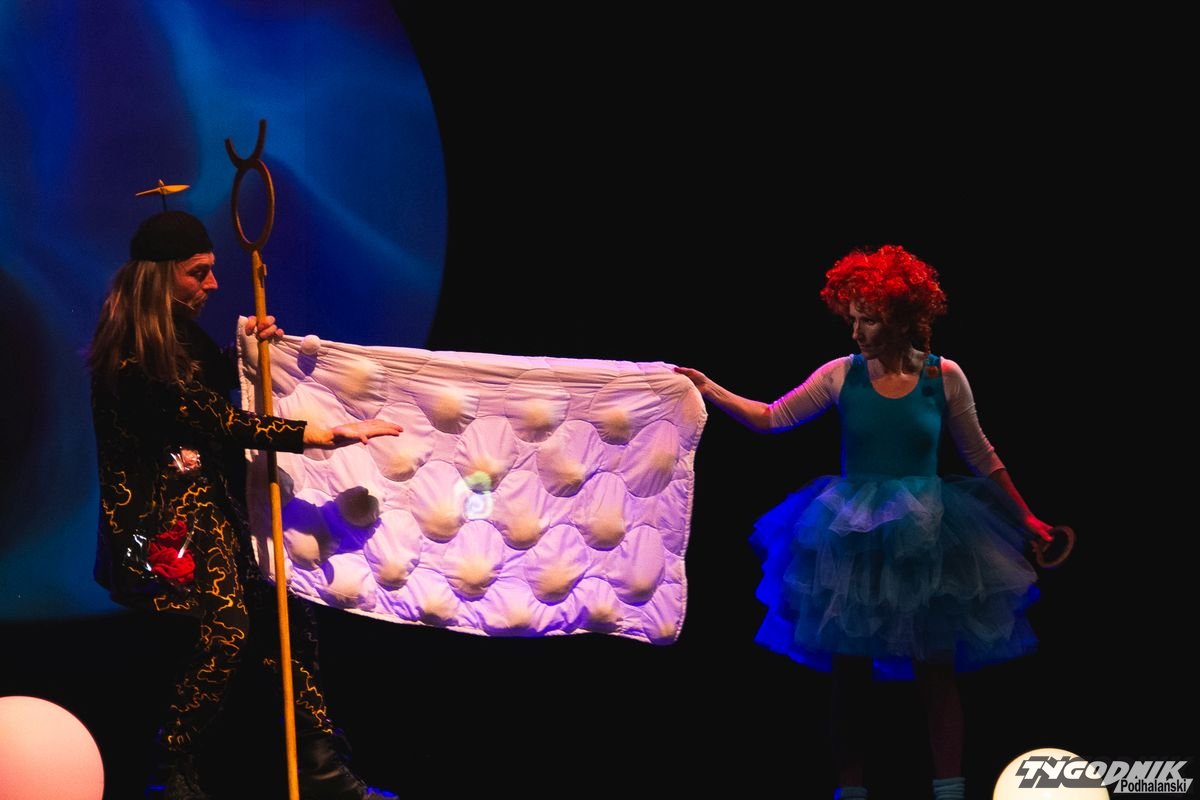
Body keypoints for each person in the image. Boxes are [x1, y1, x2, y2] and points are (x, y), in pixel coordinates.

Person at [676, 244, 1057, 800]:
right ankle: (850, 790)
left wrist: (1026, 517)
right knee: (849, 670)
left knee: (935, 668)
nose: (856, 331)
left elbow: (981, 454)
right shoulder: (840, 375)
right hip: (852, 535)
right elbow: (772, 418)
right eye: (852, 318)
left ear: (901, 317)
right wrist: (709, 389)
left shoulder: (944, 376)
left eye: (869, 319)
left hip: (926, 536)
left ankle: (950, 789)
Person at [89, 209, 401, 800]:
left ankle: (322, 768)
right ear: (159, 275)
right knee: (226, 632)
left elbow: (225, 390)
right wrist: (321, 434)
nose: (212, 283)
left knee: (289, 617)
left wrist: (260, 352)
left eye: (211, 270)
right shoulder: (135, 349)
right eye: (197, 272)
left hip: (215, 508)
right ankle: (170, 772)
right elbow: (216, 418)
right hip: (167, 525)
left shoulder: (183, 337)